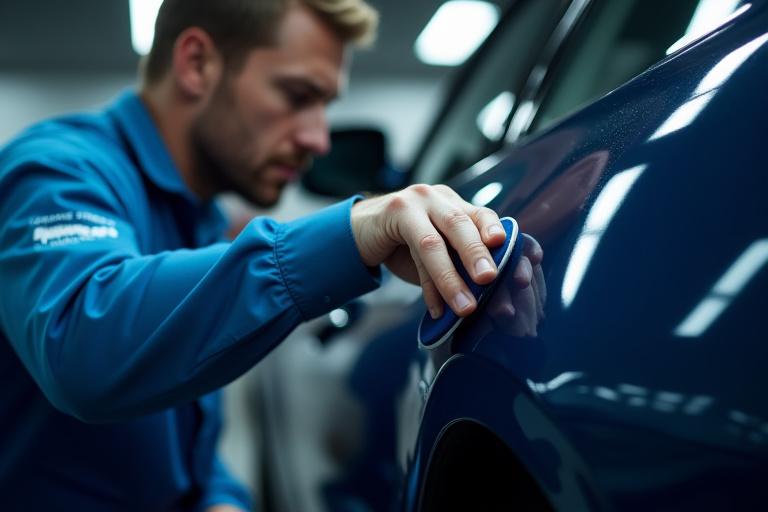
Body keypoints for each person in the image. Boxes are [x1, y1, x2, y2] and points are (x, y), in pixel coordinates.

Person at [0, 0, 535, 510]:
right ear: (197, 63)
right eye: (298, 96)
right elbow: (82, 344)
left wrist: (218, 497)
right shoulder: (56, 170)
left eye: (325, 106)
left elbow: (175, 424)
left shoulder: (200, 217)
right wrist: (350, 235)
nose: (318, 139)